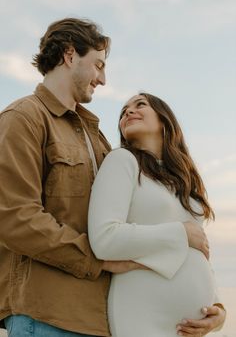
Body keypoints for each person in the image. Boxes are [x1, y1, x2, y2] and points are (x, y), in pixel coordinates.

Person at [0, 17, 223, 337]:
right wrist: (99, 259)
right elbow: (15, 219)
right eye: (98, 65)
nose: (103, 79)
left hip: (101, 319)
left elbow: (135, 225)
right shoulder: (24, 118)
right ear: (69, 55)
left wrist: (215, 305)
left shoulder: (98, 141)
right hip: (47, 317)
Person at [88, 93, 226, 337]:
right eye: (123, 111)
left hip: (193, 329)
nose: (128, 112)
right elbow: (104, 239)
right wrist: (181, 233)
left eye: (140, 105)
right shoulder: (122, 161)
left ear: (164, 120)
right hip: (142, 315)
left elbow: (200, 253)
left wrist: (218, 309)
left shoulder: (185, 181)